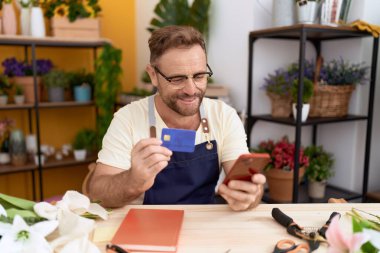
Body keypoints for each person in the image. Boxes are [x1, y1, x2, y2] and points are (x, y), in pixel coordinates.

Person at [88, 25, 266, 211]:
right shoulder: (128, 119)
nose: (191, 90)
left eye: (199, 76)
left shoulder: (224, 116)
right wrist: (132, 180)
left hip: (204, 225)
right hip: (144, 227)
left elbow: (248, 186)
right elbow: (97, 193)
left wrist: (250, 195)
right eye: (177, 79)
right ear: (153, 76)